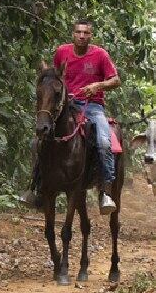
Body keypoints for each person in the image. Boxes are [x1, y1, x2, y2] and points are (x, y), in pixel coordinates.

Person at [23, 19, 121, 214]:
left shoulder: (100, 55)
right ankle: (36, 186)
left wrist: (98, 86)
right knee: (38, 141)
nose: (82, 36)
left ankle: (105, 190)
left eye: (86, 32)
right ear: (73, 34)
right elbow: (55, 77)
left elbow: (116, 80)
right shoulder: (62, 52)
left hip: (92, 106)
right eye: (78, 32)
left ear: (91, 35)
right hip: (66, 104)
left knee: (104, 141)